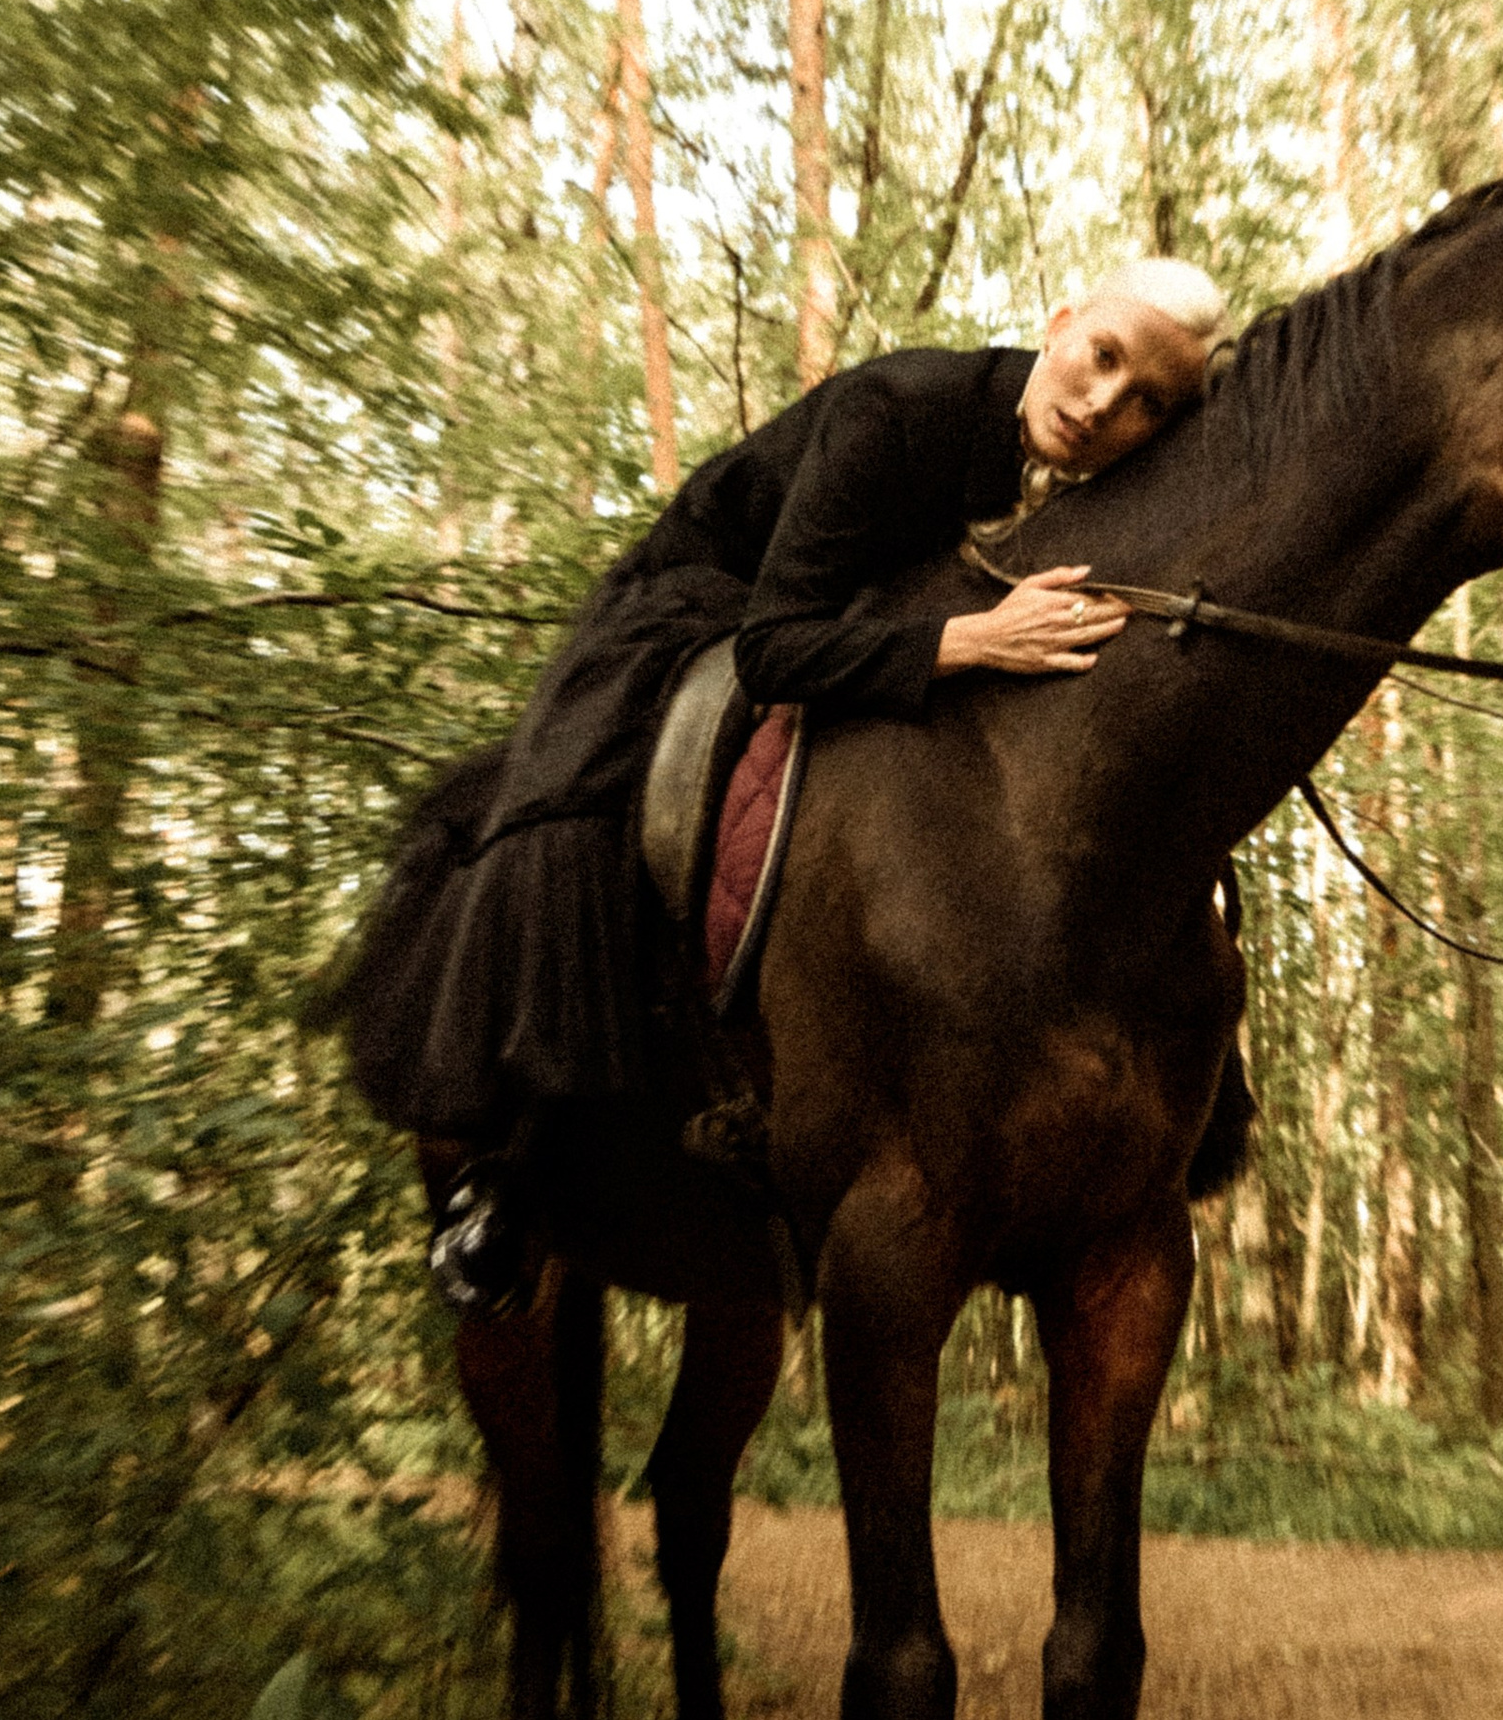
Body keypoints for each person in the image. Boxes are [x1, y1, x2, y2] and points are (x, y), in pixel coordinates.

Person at [331, 259, 1232, 1310]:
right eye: (1102, 358)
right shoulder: (901, 410)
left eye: (1146, 403)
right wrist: (974, 640)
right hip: (707, 610)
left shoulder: (1100, 479)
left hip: (868, 618)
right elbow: (775, 647)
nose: (1102, 403)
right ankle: (510, 1164)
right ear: (1061, 322)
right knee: (598, 804)